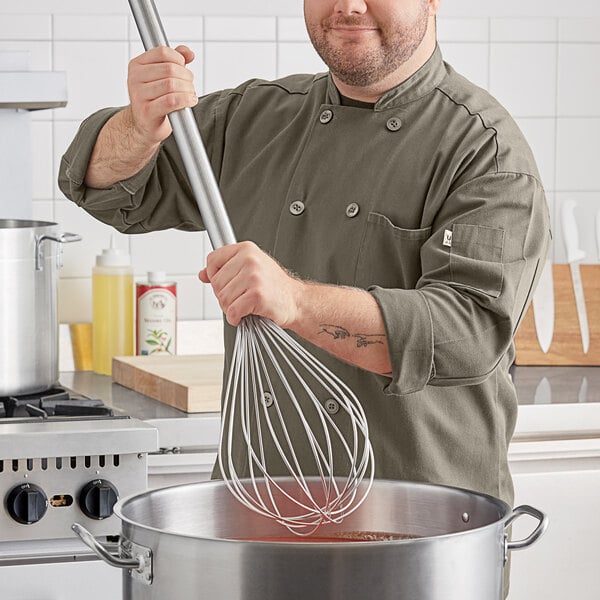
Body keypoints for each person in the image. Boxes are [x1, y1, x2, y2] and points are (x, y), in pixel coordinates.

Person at [59, 0, 549, 592]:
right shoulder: (255, 119)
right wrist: (139, 126)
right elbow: (107, 187)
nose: (347, 6)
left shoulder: (484, 150)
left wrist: (293, 300)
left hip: (420, 540)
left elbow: (465, 335)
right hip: (253, 526)